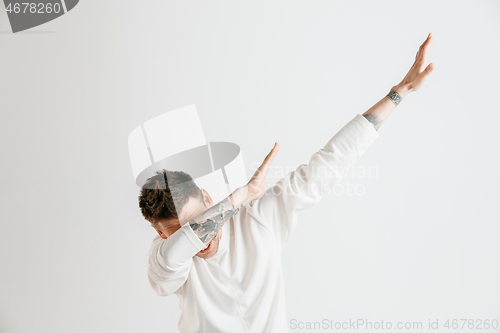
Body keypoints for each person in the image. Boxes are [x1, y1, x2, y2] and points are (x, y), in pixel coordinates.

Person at [138, 33, 435, 333]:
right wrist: (239, 196)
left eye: (199, 218)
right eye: (181, 232)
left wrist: (400, 92)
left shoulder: (258, 218)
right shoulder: (162, 262)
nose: (201, 237)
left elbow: (328, 164)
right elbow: (175, 255)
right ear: (160, 234)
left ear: (205, 196)